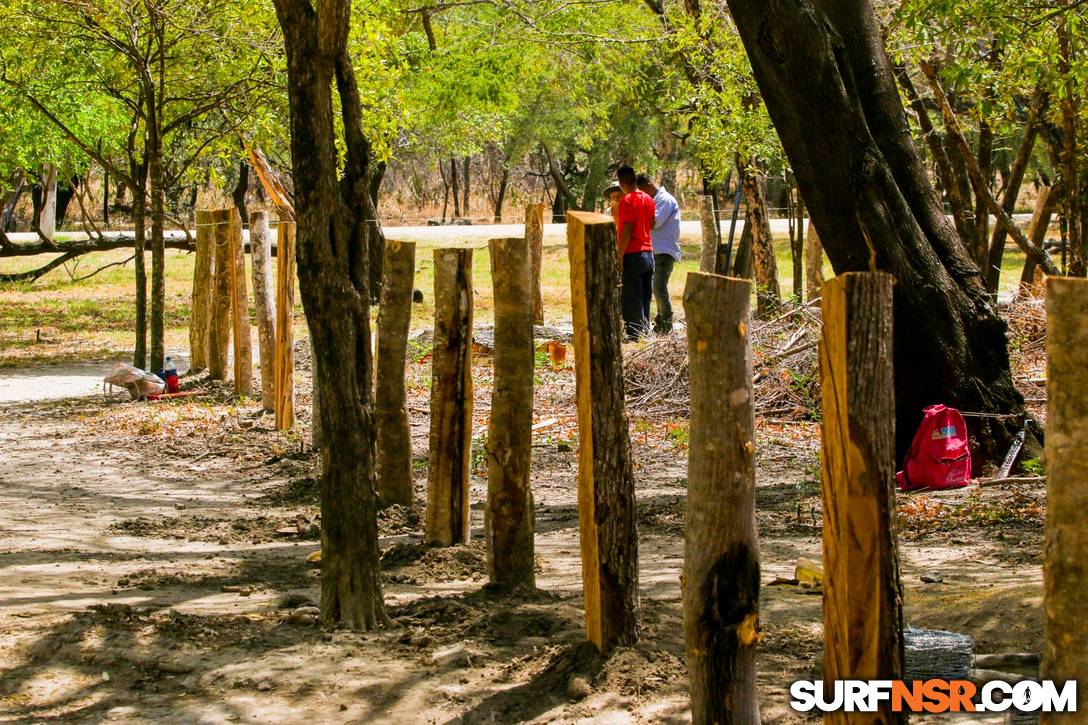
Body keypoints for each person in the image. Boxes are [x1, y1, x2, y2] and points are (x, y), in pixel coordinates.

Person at [614, 165, 655, 340]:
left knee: (632, 295)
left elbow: (626, 231)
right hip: (649, 253)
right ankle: (644, 330)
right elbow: (652, 223)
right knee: (646, 295)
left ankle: (635, 333)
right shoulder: (648, 199)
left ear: (621, 183)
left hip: (633, 254)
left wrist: (619, 255)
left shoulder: (627, 201)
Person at [637, 174, 681, 334]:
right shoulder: (652, 200)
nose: (641, 195)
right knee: (654, 288)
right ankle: (660, 322)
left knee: (659, 287)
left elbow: (654, 222)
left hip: (664, 251)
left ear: (649, 186)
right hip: (653, 250)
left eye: (642, 191)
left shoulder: (664, 199)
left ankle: (666, 323)